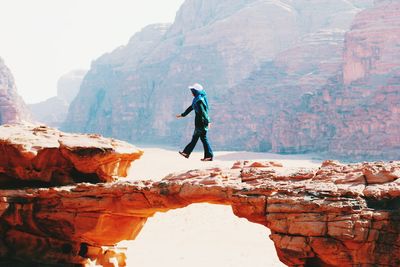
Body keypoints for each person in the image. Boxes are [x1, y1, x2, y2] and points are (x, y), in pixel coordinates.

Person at [176, 83, 214, 161]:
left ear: (195, 91)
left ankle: (187, 152)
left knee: (197, 138)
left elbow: (203, 112)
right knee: (201, 139)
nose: (191, 92)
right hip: (201, 122)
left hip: (201, 123)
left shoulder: (199, 100)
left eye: (192, 91)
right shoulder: (198, 98)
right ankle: (207, 156)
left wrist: (208, 121)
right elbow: (191, 107)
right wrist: (182, 115)